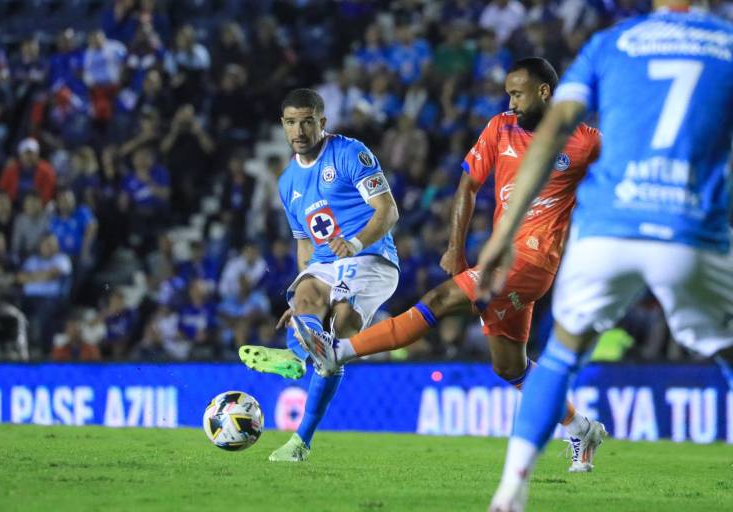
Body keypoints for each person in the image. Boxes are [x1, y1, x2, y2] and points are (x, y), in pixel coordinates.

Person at [473, 3, 733, 511]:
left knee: (559, 356)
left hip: (608, 228)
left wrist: (503, 233)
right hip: (690, 227)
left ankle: (511, 491)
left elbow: (549, 136)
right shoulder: (726, 43)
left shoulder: (612, 43)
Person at [293, 58, 605, 472]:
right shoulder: (500, 127)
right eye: (508, 94)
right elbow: (468, 184)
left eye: (517, 94)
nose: (510, 102)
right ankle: (582, 428)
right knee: (509, 366)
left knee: (439, 300)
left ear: (544, 92)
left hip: (534, 259)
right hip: (499, 257)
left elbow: (624, 173)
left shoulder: (583, 141)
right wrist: (455, 249)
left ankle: (339, 353)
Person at [238, 88, 399, 461]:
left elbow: (388, 211)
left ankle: (302, 437)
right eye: (292, 122)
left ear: (322, 122)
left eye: (307, 121)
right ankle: (297, 355)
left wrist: (356, 243)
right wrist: (300, 306)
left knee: (341, 330)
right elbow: (304, 246)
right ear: (283, 126)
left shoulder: (349, 153)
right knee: (307, 302)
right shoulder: (287, 182)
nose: (300, 130)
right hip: (325, 264)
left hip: (371, 258)